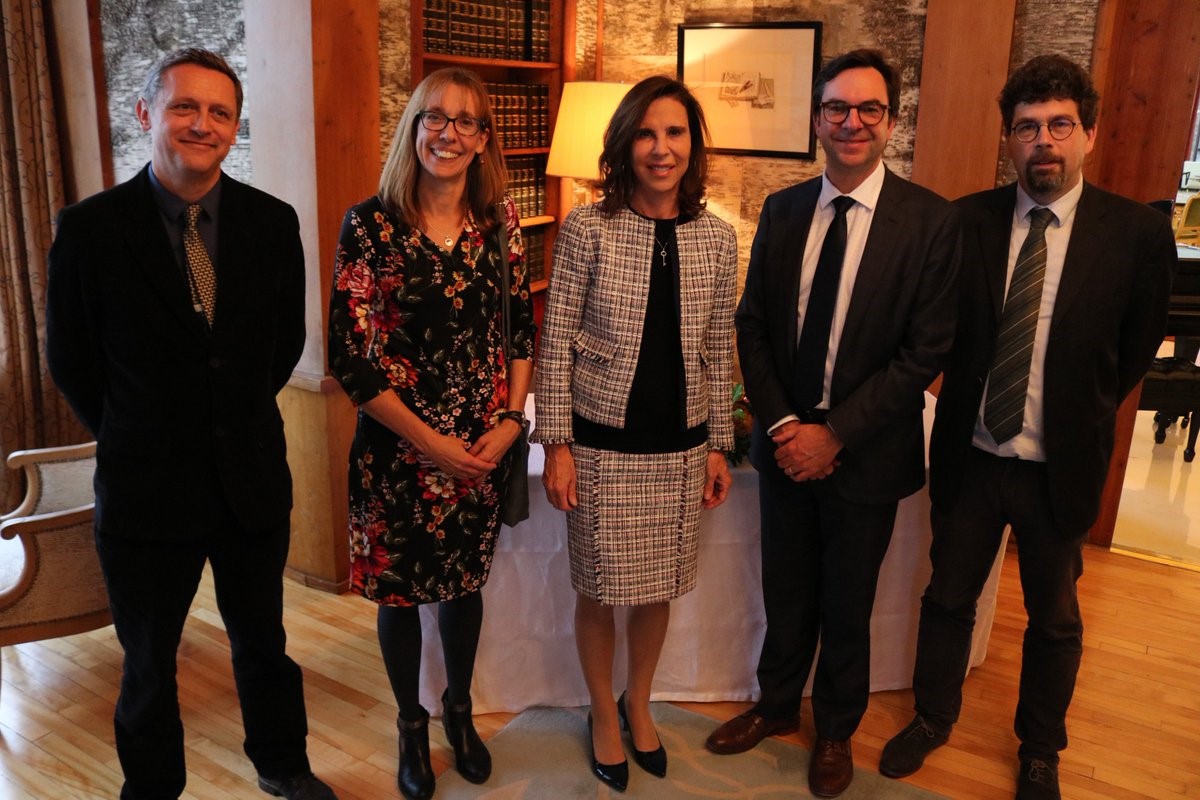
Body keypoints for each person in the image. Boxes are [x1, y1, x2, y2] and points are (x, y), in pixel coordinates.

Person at [879, 55, 1176, 800]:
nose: (1043, 141)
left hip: (1059, 465)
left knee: (1054, 618)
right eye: (1027, 128)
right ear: (1008, 140)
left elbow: (1134, 348)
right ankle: (932, 716)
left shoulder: (1135, 234)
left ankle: (1040, 747)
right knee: (948, 596)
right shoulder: (967, 220)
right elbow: (937, 331)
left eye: (1059, 126)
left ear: (1089, 135)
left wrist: (1081, 407)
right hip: (973, 457)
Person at [45, 48, 334, 800]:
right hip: (145, 491)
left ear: (234, 128)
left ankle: (283, 765)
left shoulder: (273, 223)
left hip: (249, 482)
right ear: (147, 114)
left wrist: (226, 415)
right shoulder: (90, 230)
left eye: (219, 112)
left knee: (263, 644)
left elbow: (283, 346)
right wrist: (137, 426)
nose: (201, 124)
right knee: (147, 662)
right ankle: (152, 790)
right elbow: (71, 358)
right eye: (184, 107)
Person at [706, 49, 960, 798]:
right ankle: (778, 706)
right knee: (784, 588)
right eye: (836, 109)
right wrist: (785, 426)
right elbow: (752, 326)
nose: (852, 122)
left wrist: (835, 434)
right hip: (784, 450)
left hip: (868, 455)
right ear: (817, 118)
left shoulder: (930, 221)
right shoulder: (784, 210)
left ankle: (837, 729)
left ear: (890, 120)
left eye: (869, 110)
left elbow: (926, 352)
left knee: (848, 601)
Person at [327, 66, 533, 800]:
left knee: (464, 588)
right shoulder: (370, 223)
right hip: (396, 454)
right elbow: (350, 357)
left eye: (465, 121)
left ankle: (459, 713)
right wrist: (428, 441)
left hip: (480, 453)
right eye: (434, 118)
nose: (448, 132)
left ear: (483, 140)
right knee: (401, 596)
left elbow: (520, 330)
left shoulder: (499, 222)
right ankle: (410, 726)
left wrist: (511, 422)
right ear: (414, 129)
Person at [533, 75, 736, 792]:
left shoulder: (718, 237)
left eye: (675, 133)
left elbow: (721, 346)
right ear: (625, 144)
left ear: (693, 145)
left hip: (679, 445)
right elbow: (554, 340)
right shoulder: (588, 228)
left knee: (658, 589)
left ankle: (638, 703)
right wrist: (556, 446)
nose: (661, 148)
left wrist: (719, 444)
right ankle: (602, 712)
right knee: (598, 587)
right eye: (647, 133)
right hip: (600, 442)